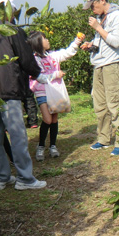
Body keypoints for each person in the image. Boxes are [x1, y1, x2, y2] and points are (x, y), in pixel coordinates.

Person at [0, 0, 48, 190]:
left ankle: (1, 178)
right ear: (9, 11)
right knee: (17, 135)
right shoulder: (11, 29)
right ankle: (25, 179)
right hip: (8, 90)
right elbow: (25, 57)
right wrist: (38, 74)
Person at [80, 0, 119, 156]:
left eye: (93, 5)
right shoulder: (101, 18)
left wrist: (97, 28)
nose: (92, 10)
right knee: (100, 105)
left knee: (115, 104)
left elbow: (116, 42)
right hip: (98, 65)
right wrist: (90, 45)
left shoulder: (117, 16)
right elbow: (101, 41)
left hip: (111, 65)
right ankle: (104, 139)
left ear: (102, 0)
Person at [28, 31, 84, 161]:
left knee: (54, 119)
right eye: (44, 38)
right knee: (47, 119)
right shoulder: (35, 59)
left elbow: (67, 53)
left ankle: (52, 145)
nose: (47, 40)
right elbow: (39, 77)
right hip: (42, 91)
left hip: (55, 90)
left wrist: (77, 41)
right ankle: (41, 145)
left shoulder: (52, 56)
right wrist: (55, 75)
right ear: (38, 43)